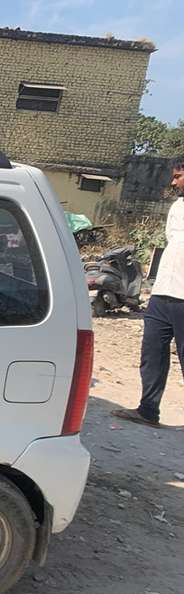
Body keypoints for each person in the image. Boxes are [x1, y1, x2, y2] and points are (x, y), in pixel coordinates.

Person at [113, 158, 184, 427]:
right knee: (152, 354)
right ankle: (148, 410)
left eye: (178, 176)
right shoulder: (177, 208)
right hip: (163, 293)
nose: (173, 182)